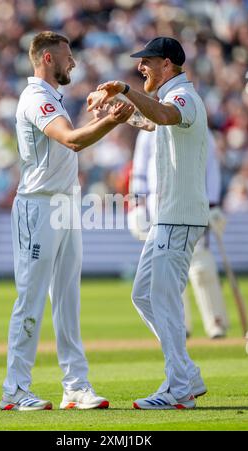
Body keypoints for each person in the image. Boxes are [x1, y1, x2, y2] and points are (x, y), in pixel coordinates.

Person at [0, 31, 134, 411]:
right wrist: (113, 121)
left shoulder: (53, 97)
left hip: (65, 204)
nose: (72, 62)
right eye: (66, 56)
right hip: (38, 206)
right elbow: (72, 140)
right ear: (47, 59)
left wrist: (107, 113)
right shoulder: (36, 98)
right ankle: (15, 389)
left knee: (67, 299)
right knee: (30, 298)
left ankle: (75, 385)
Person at [89, 37, 209, 410]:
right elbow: (157, 122)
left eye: (148, 61)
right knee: (143, 294)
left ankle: (179, 390)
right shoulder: (172, 97)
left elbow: (167, 116)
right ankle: (186, 373)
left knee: (164, 300)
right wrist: (126, 114)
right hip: (168, 218)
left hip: (179, 217)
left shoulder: (183, 97)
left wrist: (125, 91)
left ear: (169, 65)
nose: (141, 67)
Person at [129, 128, 229, 339]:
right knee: (167, 266)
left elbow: (211, 169)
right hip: (159, 207)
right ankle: (179, 324)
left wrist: (213, 204)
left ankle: (215, 322)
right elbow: (139, 169)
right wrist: (137, 205)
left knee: (201, 265)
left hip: (194, 204)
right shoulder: (149, 131)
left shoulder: (200, 128)